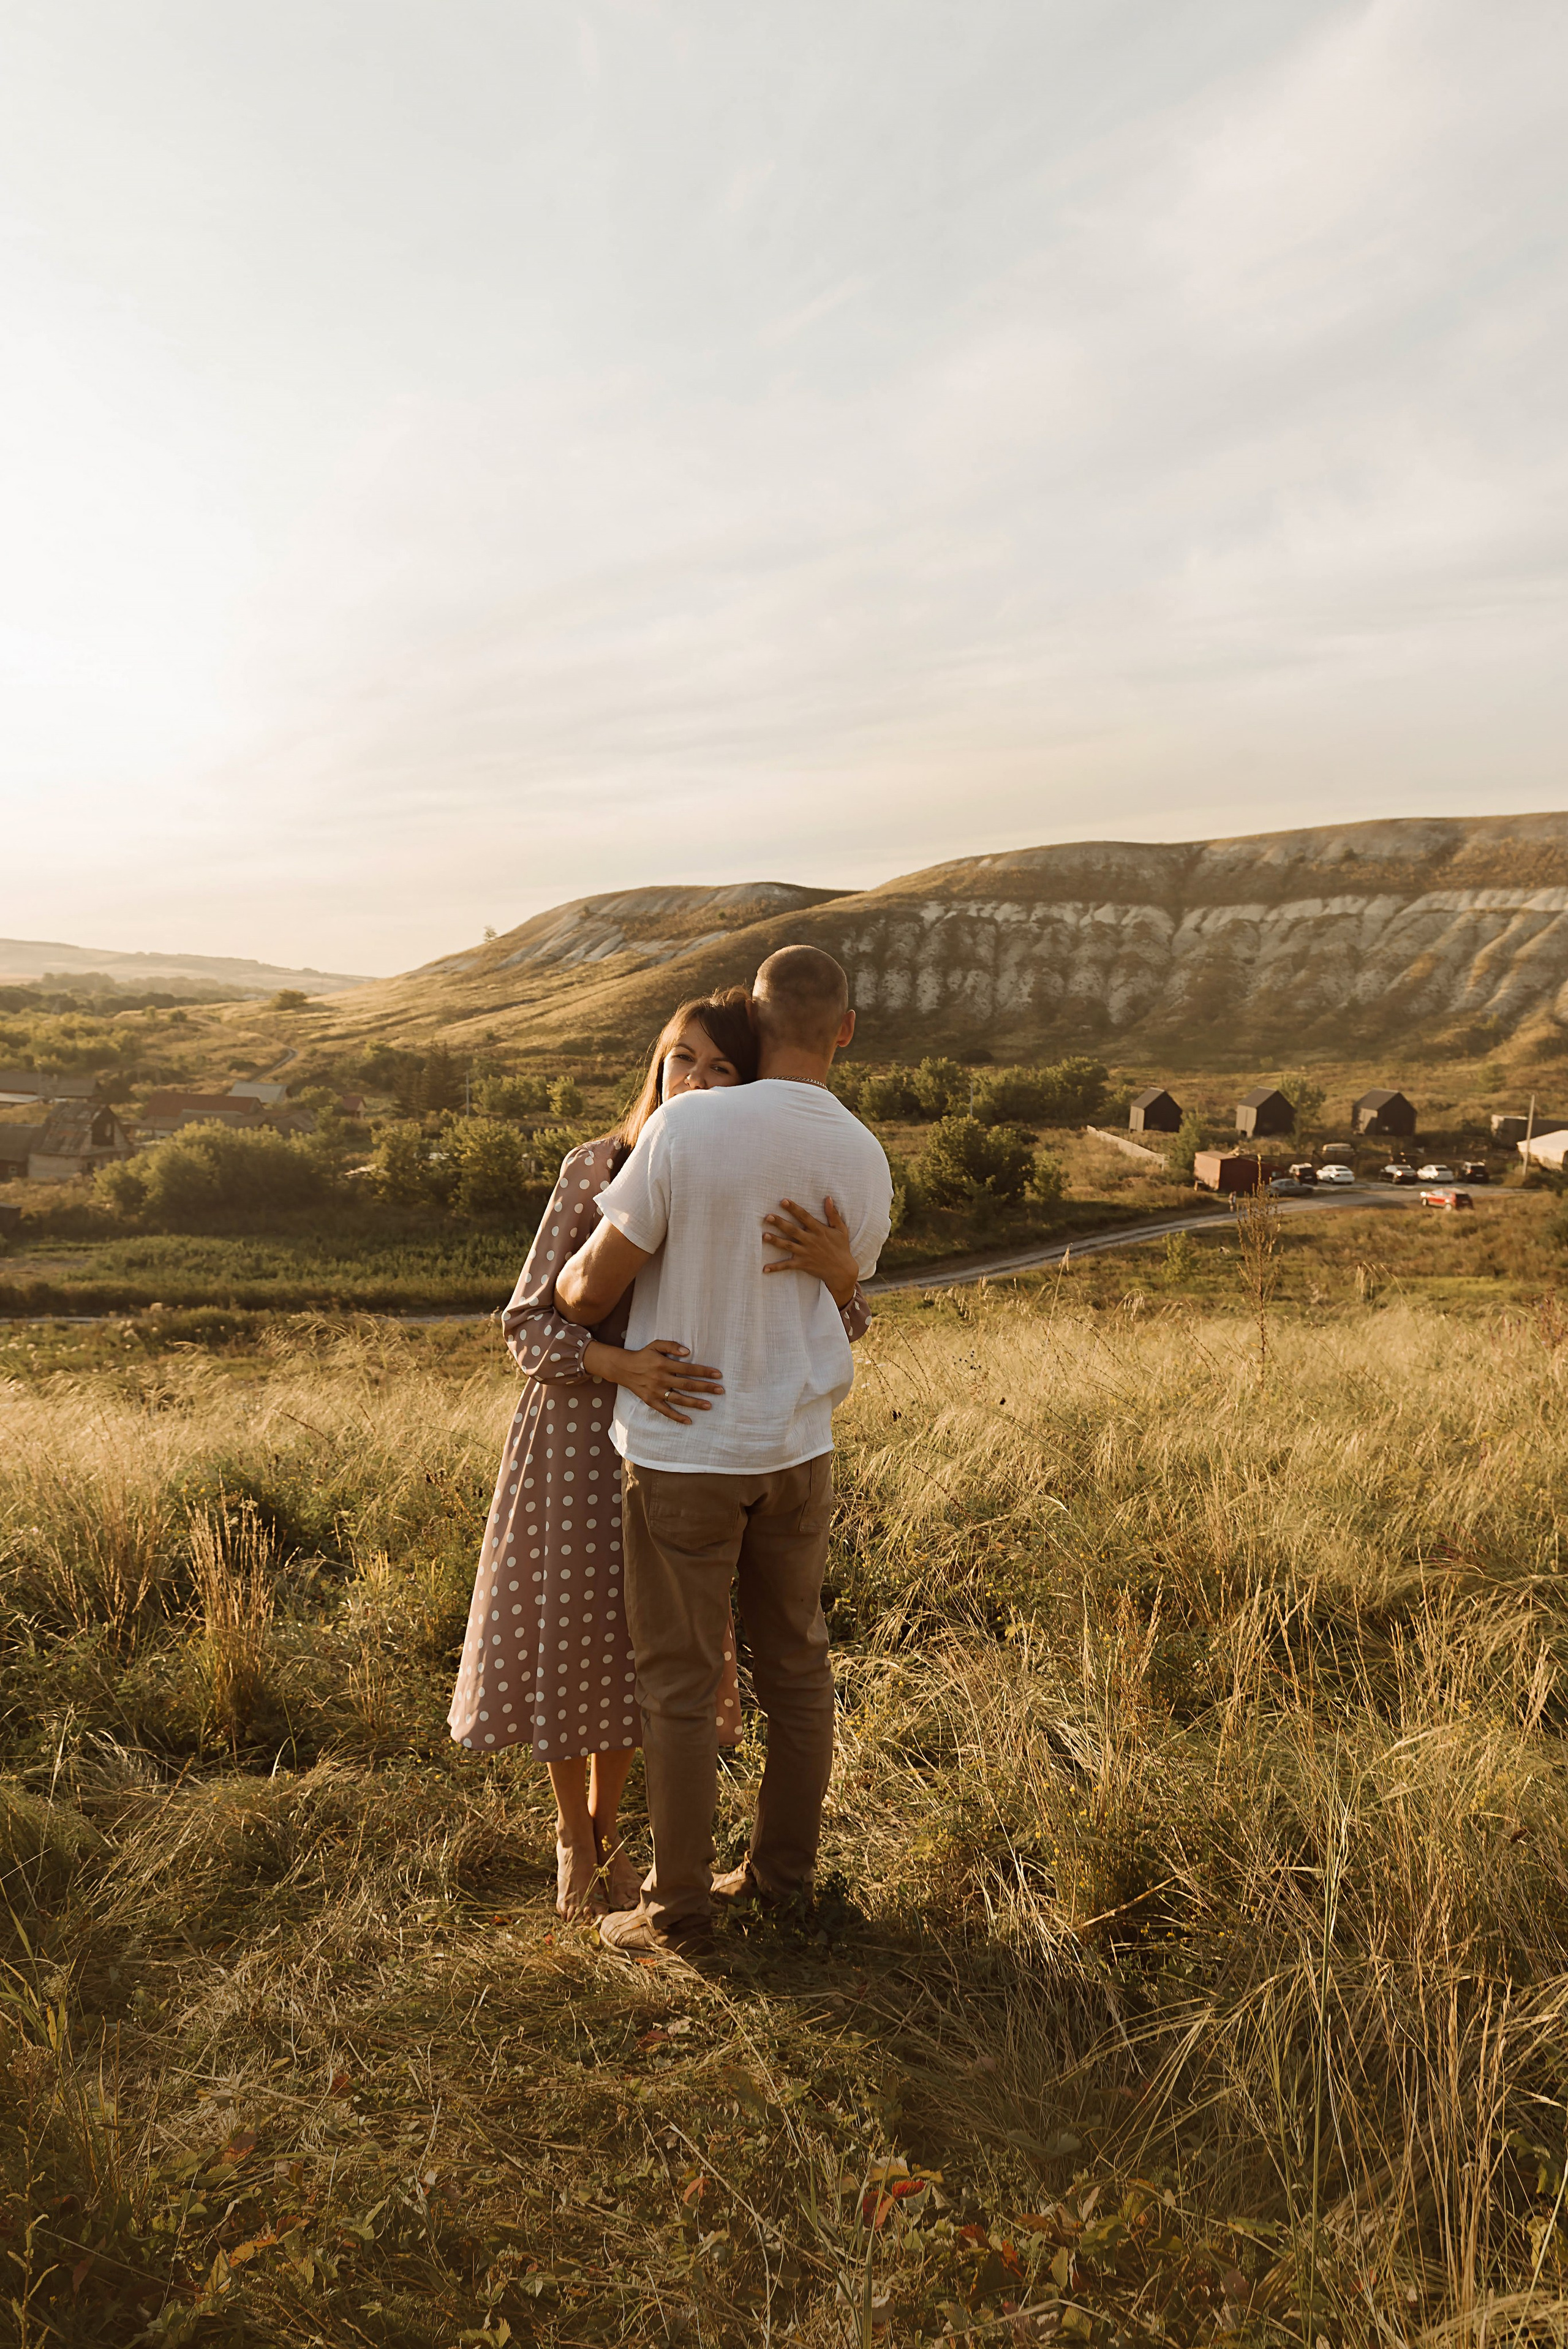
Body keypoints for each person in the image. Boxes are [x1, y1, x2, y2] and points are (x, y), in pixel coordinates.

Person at [447, 986, 870, 1922]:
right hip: (577, 1438)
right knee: (570, 1643)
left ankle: (622, 1831)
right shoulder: (596, 1166)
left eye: (724, 1069)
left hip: (684, 1448)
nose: (699, 1081)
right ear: (658, 1060)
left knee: (642, 1654)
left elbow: (839, 1318)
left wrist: (843, 1277)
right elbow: (528, 1323)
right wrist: (616, 1363)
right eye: (685, 1059)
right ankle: (577, 1839)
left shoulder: (746, 1167)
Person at [554, 945, 893, 1956]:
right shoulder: (866, 1156)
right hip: (797, 1446)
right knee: (796, 1670)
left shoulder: (689, 1126)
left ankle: (680, 1910)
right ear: (844, 1030)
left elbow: (583, 1295)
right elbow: (844, 1298)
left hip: (686, 1451)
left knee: (677, 1678)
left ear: (753, 1016)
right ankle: (784, 1880)